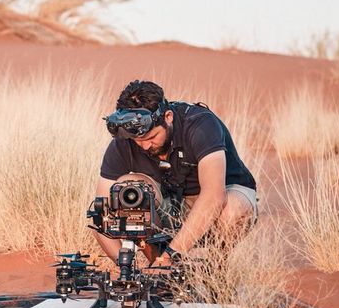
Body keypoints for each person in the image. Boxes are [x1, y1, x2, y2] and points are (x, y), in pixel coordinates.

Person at [94, 80, 257, 267]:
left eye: (152, 137)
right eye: (138, 141)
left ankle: (216, 272)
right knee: (127, 189)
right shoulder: (125, 140)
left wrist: (170, 254)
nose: (145, 146)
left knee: (233, 208)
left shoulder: (201, 124)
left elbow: (214, 197)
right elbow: (101, 217)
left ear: (168, 117)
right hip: (170, 204)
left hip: (219, 200)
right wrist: (129, 272)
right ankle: (160, 275)